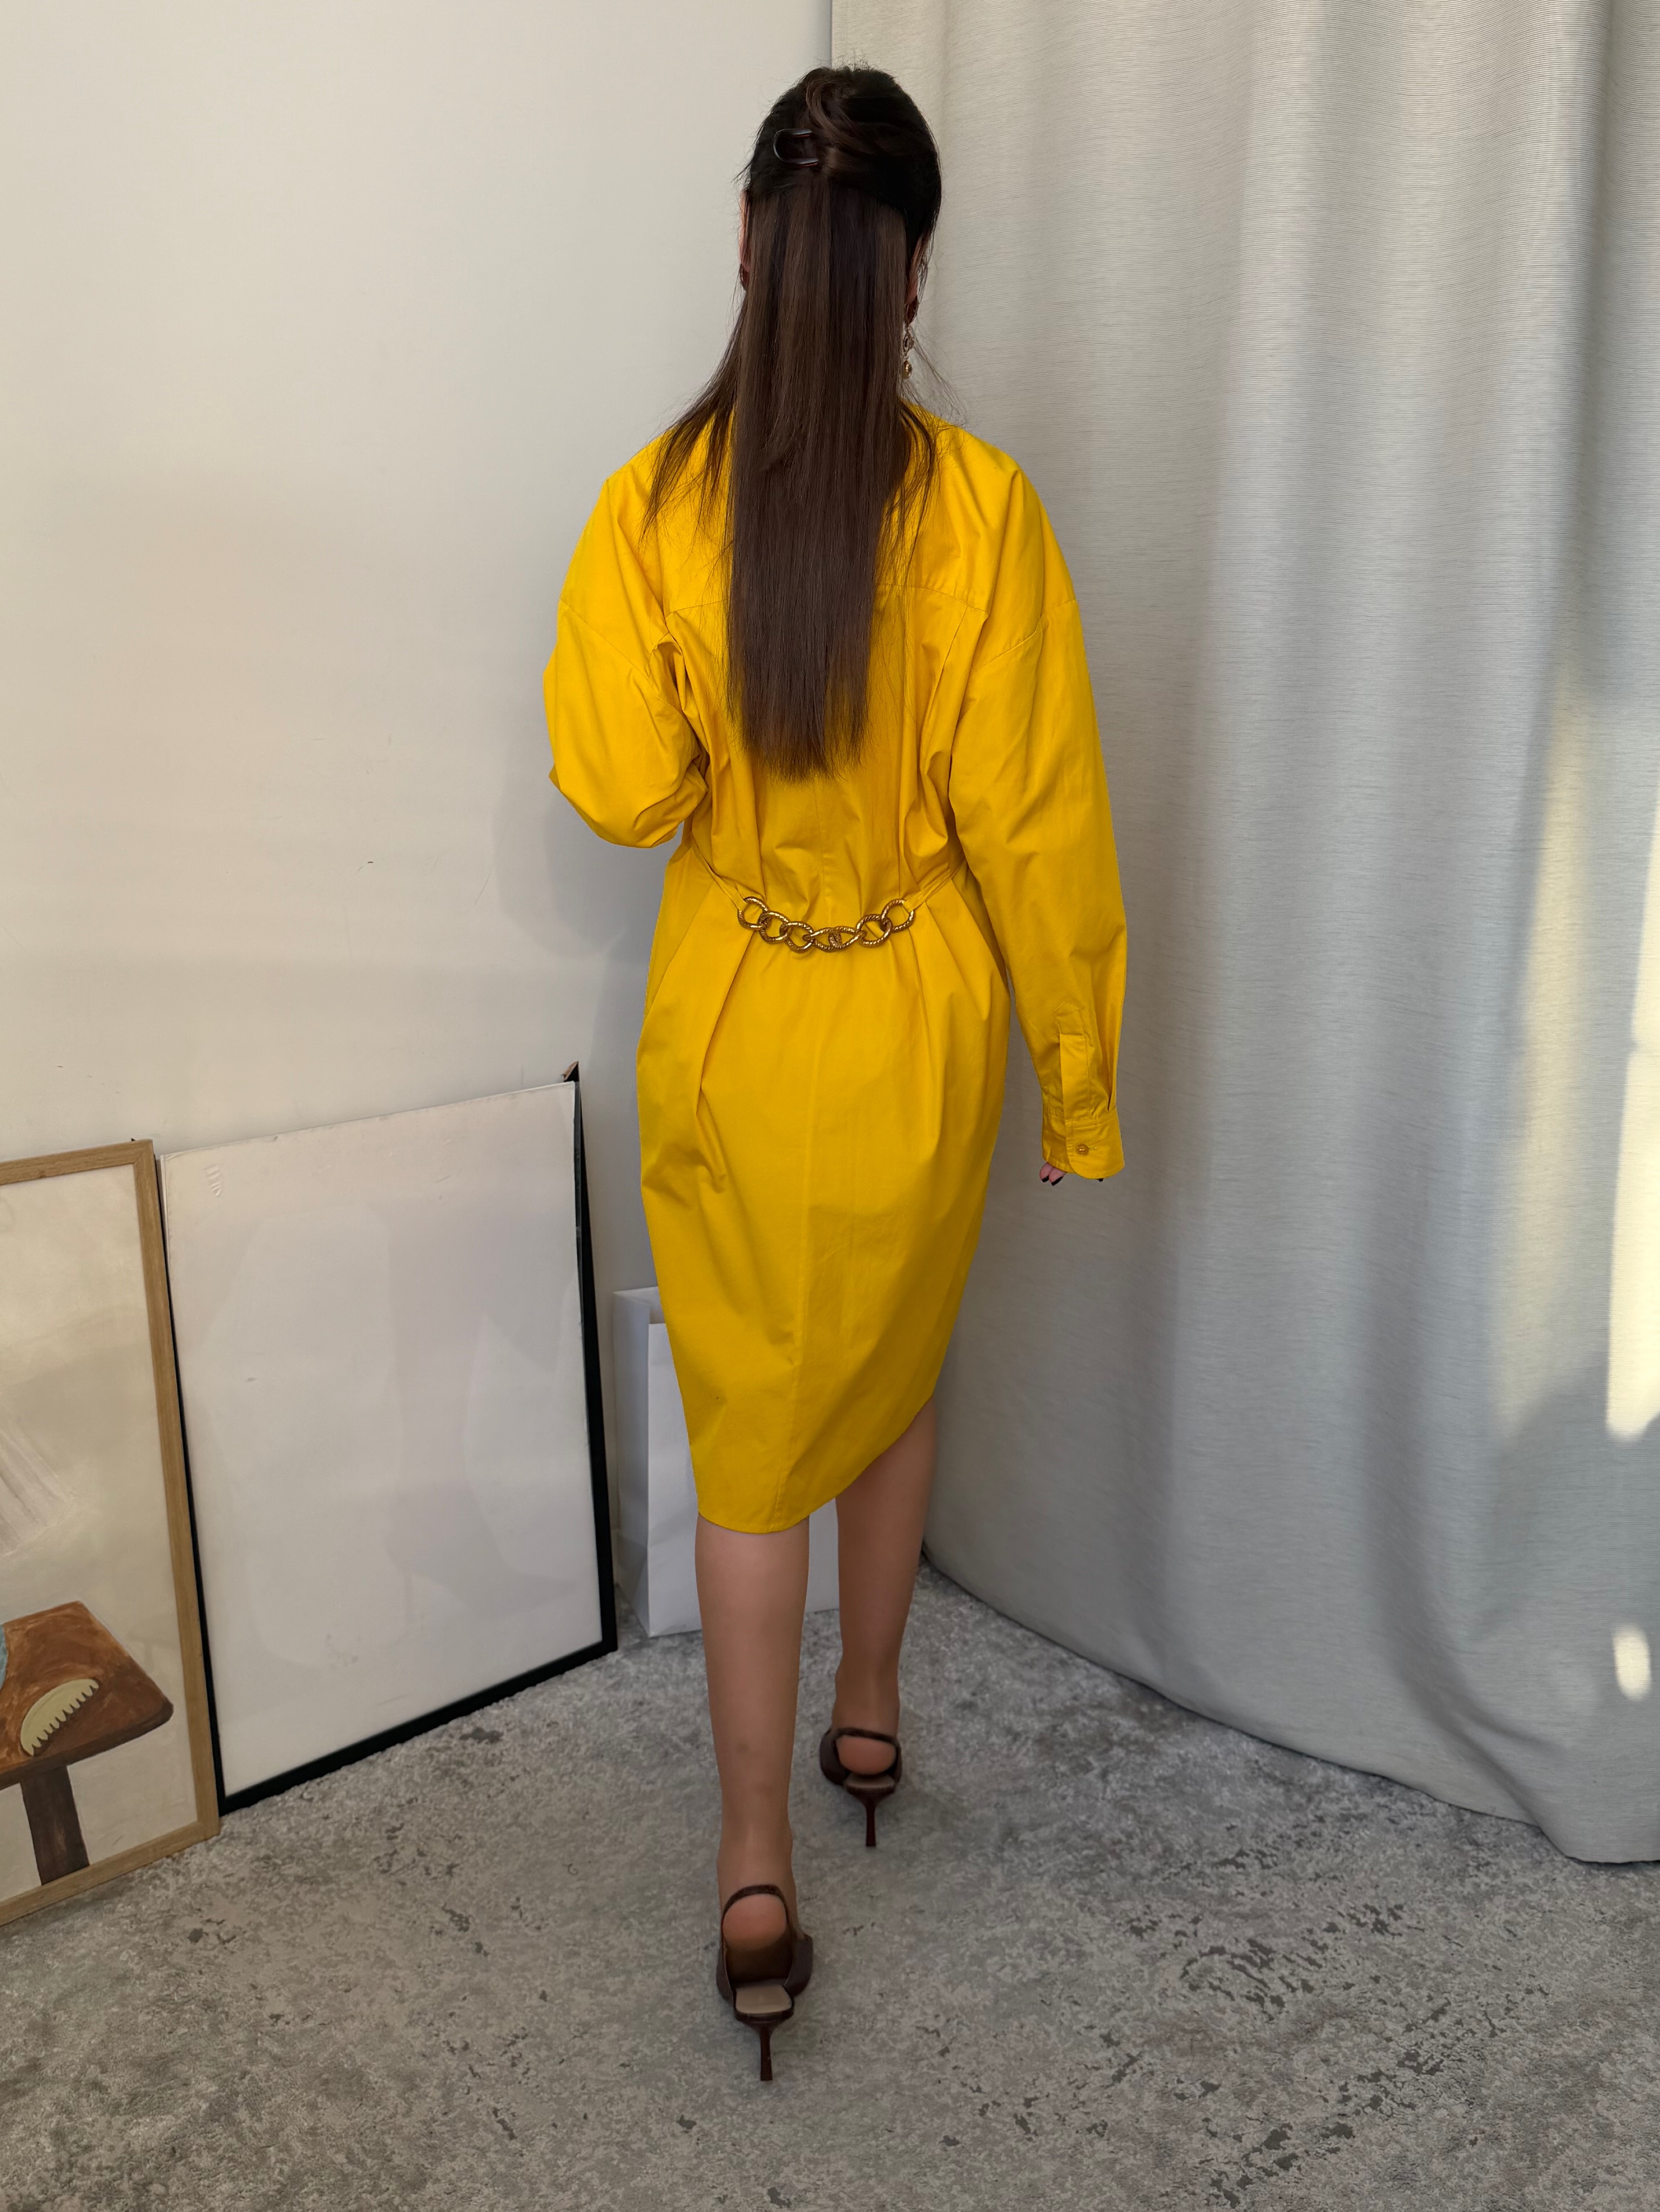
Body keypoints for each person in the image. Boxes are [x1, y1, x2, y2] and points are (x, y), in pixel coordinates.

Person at [544, 64, 1126, 2080]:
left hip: (735, 1010)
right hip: (916, 1018)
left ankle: (750, 1862)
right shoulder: (984, 513)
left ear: (743, 245)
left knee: (752, 1442)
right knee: (892, 1364)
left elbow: (621, 791)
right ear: (913, 270)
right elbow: (1039, 821)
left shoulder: (651, 508)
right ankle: (866, 1717)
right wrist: (1073, 1078)